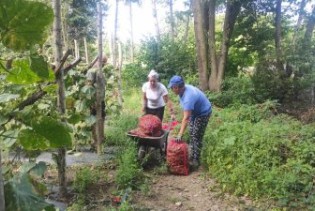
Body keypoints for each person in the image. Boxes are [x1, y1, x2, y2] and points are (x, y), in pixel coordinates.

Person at [168, 75, 212, 169]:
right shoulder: (182, 91)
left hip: (203, 112)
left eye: (172, 87)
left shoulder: (189, 97)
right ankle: (191, 155)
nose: (171, 89)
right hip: (194, 112)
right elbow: (187, 113)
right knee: (191, 132)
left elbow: (186, 118)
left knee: (196, 135)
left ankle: (196, 160)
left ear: (177, 87)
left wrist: (180, 134)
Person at [86, 56, 107, 150]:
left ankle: (101, 139)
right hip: (94, 100)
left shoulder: (101, 72)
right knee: (94, 121)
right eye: (102, 61)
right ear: (97, 61)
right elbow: (88, 86)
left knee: (102, 119)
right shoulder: (91, 71)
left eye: (104, 62)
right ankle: (95, 142)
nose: (103, 64)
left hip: (101, 100)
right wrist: (91, 101)